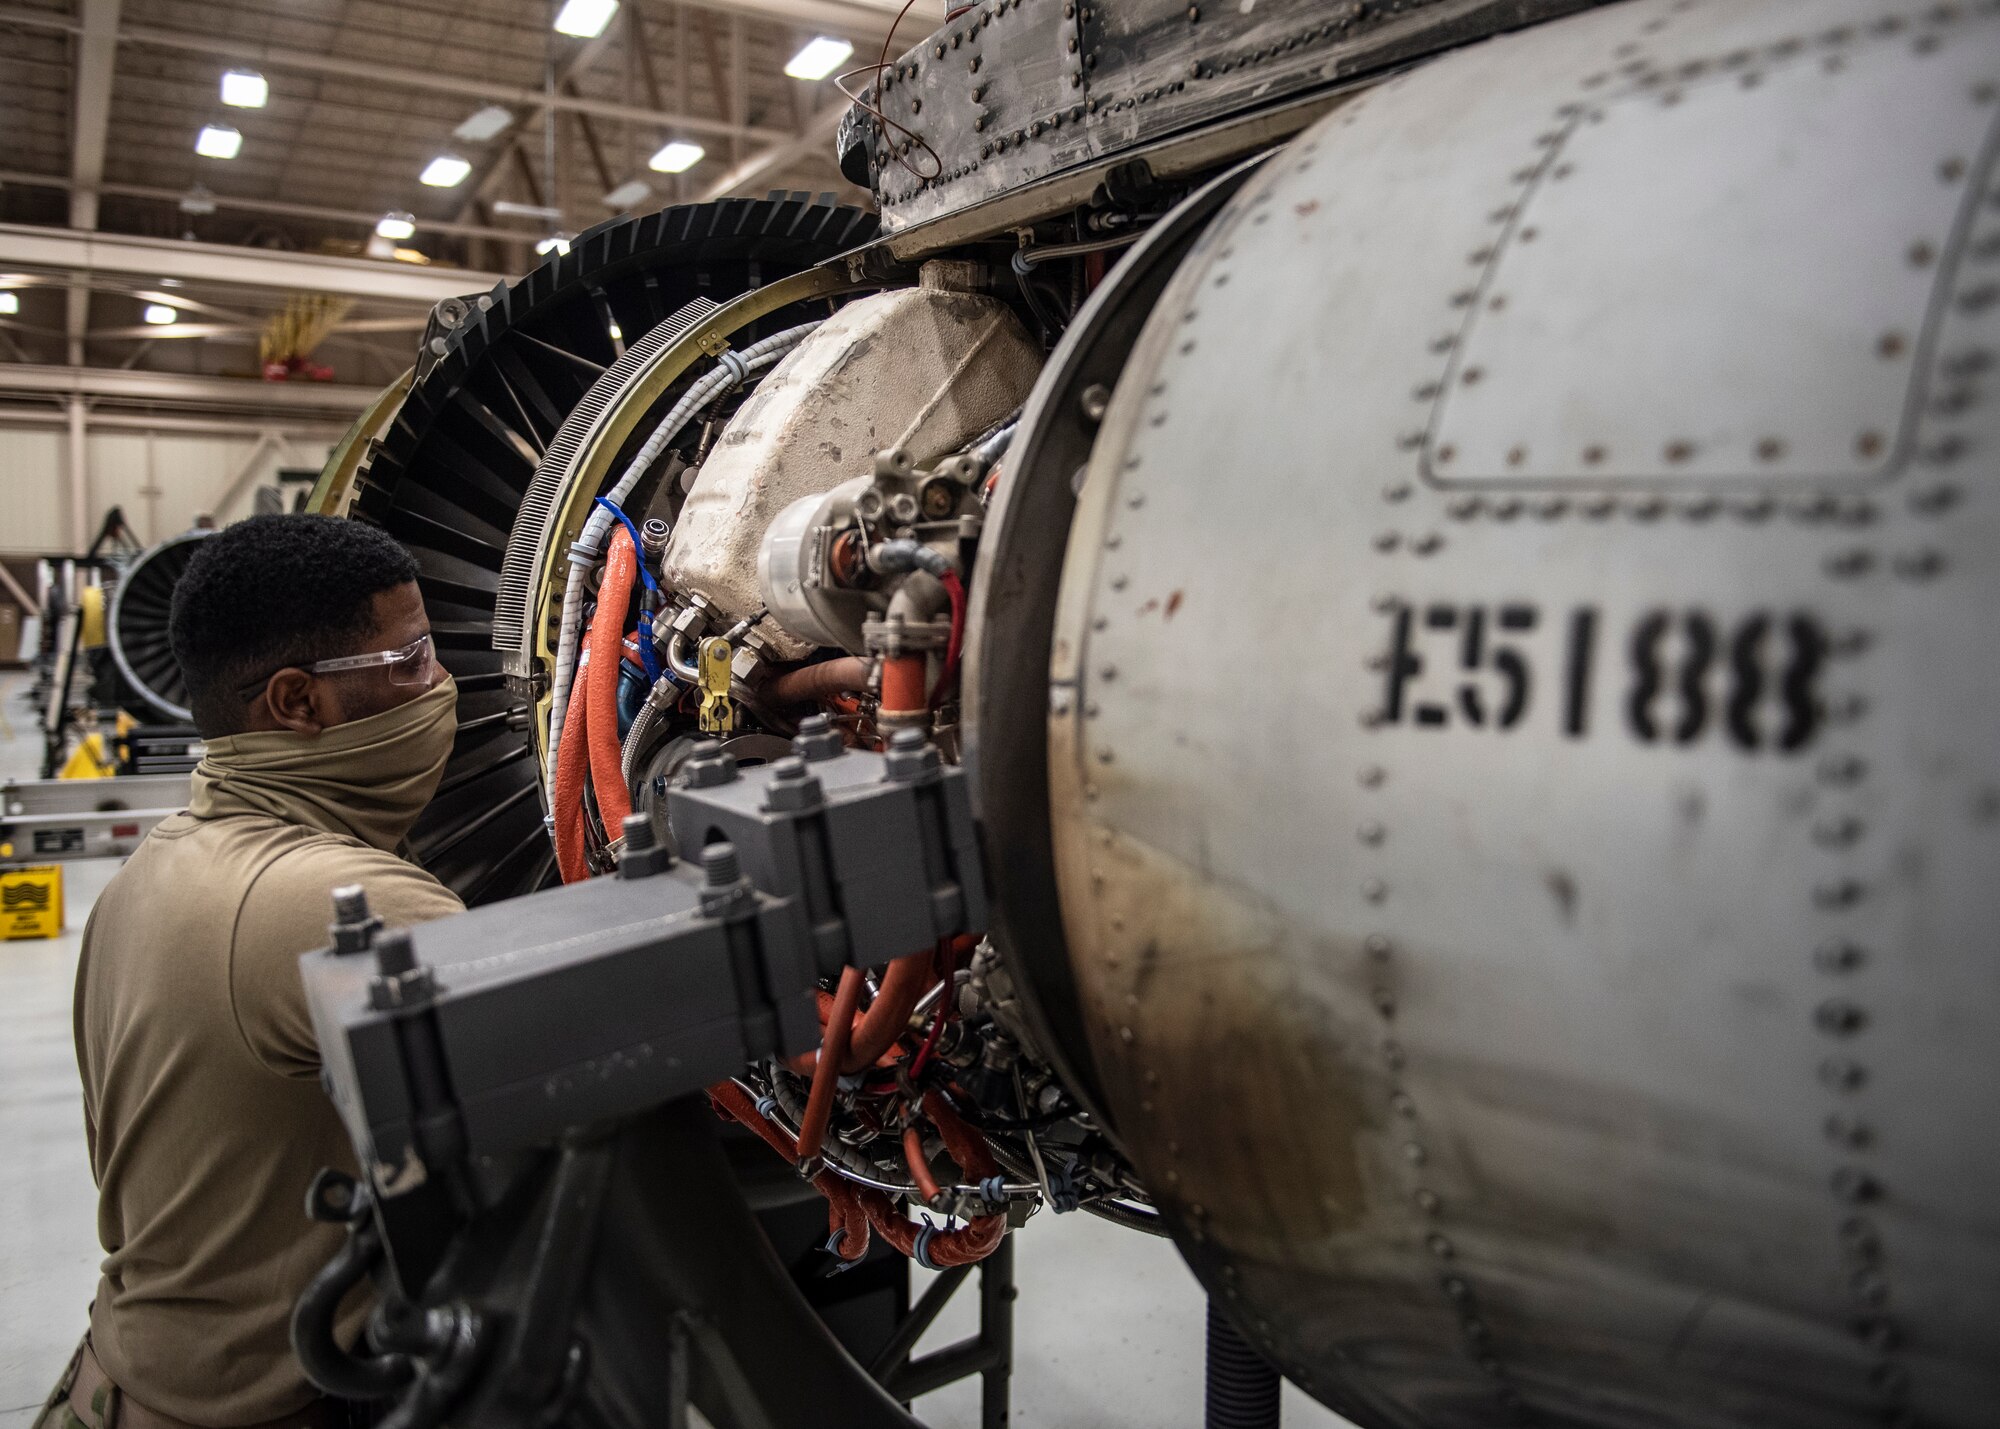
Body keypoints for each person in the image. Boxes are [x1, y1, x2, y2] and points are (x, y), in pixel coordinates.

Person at [40, 514, 466, 1429]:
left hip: (117, 1387)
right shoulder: (334, 902)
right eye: (413, 657)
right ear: (296, 702)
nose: (441, 683)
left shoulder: (153, 871)